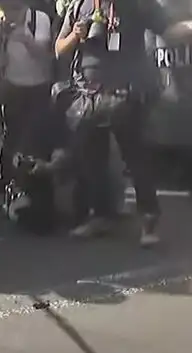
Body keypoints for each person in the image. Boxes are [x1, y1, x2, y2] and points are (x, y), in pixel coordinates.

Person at [55, 0, 192, 247]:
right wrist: (76, 35)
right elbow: (59, 48)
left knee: (136, 159)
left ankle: (149, 222)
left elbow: (169, 31)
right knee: (93, 160)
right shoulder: (79, 4)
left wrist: (187, 28)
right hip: (89, 94)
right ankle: (101, 216)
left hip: (127, 93)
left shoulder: (137, 4)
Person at [0, 0, 54, 207]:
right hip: (13, 87)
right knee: (10, 139)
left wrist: (25, 38)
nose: (10, 15)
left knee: (36, 140)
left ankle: (33, 188)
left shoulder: (39, 20)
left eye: (14, 11)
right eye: (7, 11)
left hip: (38, 87)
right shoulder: (1, 23)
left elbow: (45, 57)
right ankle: (5, 188)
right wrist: (0, 40)